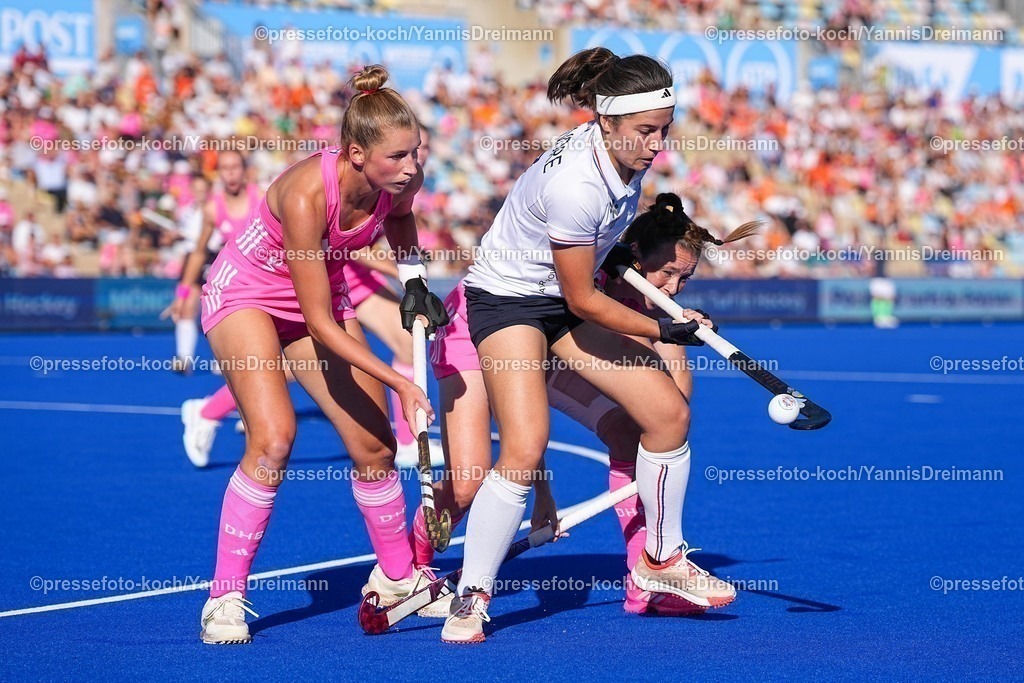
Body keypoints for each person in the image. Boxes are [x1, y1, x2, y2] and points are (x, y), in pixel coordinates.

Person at [432, 48, 735, 644]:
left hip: (559, 297)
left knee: (668, 414)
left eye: (663, 132)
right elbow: (581, 300)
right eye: (646, 132)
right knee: (524, 446)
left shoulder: (626, 156)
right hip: (510, 302)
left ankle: (661, 559)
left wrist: (616, 255)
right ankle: (472, 595)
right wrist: (662, 330)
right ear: (606, 121)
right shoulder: (578, 184)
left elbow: (590, 258)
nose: (655, 145)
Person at [415, 193, 758, 629]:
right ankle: (410, 566)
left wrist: (680, 332)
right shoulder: (591, 279)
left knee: (631, 435)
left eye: (684, 278)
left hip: (552, 347)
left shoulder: (647, 304)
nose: (672, 288)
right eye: (667, 272)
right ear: (634, 258)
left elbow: (673, 407)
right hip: (477, 327)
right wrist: (543, 496)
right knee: (467, 483)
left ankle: (647, 578)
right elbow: (520, 419)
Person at [196, 65, 449, 645]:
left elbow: (404, 218)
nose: (412, 168)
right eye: (398, 158)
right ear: (356, 154)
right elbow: (317, 324)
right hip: (248, 294)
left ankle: (397, 579)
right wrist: (404, 383)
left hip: (316, 295)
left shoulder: (400, 180)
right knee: (274, 436)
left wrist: (414, 280)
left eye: (416, 153)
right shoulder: (310, 194)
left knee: (375, 445)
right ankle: (224, 598)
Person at [166, 151, 261, 373]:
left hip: (264, 274)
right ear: (218, 173)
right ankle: (195, 357)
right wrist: (182, 293)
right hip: (236, 278)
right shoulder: (212, 209)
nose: (230, 173)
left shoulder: (262, 198)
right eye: (225, 168)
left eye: (235, 167)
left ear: (245, 170)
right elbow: (198, 252)